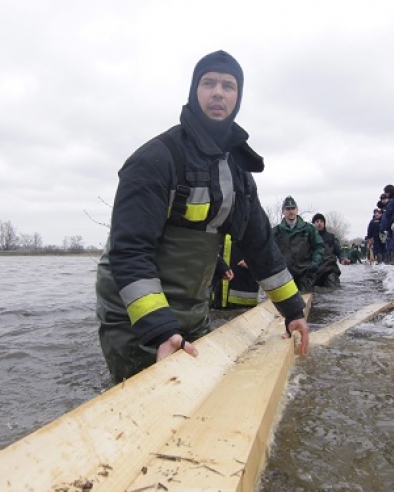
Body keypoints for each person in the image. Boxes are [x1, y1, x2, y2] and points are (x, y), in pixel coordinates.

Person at [95, 51, 310, 383]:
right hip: (134, 313)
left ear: (238, 98)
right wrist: (158, 329)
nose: (218, 92)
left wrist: (293, 312)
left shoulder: (237, 171)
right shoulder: (154, 160)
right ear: (195, 91)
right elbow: (130, 251)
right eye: (208, 83)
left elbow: (260, 246)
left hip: (194, 308)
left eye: (228, 85)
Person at [273, 196, 325, 292]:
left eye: (293, 208)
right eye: (288, 209)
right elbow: (267, 250)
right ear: (283, 211)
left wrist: (315, 262)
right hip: (284, 274)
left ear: (297, 210)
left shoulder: (309, 229)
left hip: (304, 273)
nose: (291, 211)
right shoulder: (276, 231)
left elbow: (319, 247)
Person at [211, 235, 260, 309]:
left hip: (244, 296)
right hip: (217, 297)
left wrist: (254, 260)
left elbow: (271, 249)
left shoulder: (259, 225)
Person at [310, 213, 341, 288]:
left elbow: (339, 251)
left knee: (333, 288)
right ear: (314, 224)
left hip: (329, 269)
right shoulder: (309, 238)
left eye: (321, 221)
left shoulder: (331, 237)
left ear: (324, 224)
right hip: (315, 270)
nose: (319, 223)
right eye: (317, 221)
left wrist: (343, 259)